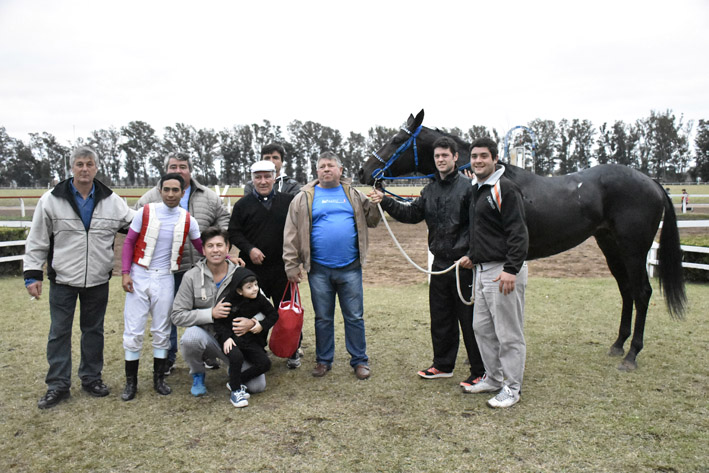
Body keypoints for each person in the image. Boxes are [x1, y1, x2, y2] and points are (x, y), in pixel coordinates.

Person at [369, 136, 485, 389]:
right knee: (441, 317)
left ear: (456, 157)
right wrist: (386, 200)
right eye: (437, 156)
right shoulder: (430, 189)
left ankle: (480, 370)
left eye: (445, 155)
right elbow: (412, 214)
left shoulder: (469, 189)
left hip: (463, 266)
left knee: (470, 321)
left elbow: (479, 227)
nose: (441, 160)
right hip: (440, 264)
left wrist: (472, 255)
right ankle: (443, 365)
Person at [23, 146, 135, 409]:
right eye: (80, 164)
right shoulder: (50, 200)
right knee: (59, 333)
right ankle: (58, 385)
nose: (84, 169)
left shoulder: (112, 201)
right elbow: (37, 239)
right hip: (63, 279)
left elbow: (135, 227)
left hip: (97, 279)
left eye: (89, 164)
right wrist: (32, 274)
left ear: (97, 168)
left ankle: (91, 378)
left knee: (93, 331)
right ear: (72, 167)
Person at [283, 151, 381, 380]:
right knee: (323, 318)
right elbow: (291, 233)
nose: (326, 169)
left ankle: (359, 361)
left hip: (350, 268)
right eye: (322, 166)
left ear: (340, 170)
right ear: (317, 172)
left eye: (330, 165)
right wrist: (291, 264)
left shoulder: (354, 194)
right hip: (318, 269)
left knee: (354, 317)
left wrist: (376, 204)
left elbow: (373, 221)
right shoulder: (303, 197)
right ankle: (323, 360)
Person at [136, 152, 230, 374]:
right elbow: (135, 226)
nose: (178, 171)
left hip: (200, 267)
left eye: (183, 167)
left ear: (190, 170)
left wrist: (216, 243)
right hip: (165, 270)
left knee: (204, 311)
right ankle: (167, 358)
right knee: (167, 314)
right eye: (173, 166)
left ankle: (206, 354)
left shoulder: (208, 196)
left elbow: (224, 218)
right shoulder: (150, 198)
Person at [459, 137, 529, 408]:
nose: (478, 161)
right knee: (482, 328)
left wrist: (511, 269)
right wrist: (472, 256)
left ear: (495, 159)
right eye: (474, 156)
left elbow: (518, 232)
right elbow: (485, 232)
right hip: (482, 270)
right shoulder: (478, 188)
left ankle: (512, 388)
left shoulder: (505, 189)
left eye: (483, 156)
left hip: (503, 272)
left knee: (508, 333)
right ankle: (494, 378)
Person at [120, 173, 202, 401]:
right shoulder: (145, 212)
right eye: (166, 189)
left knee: (162, 329)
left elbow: (201, 246)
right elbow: (129, 242)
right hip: (139, 274)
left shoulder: (188, 219)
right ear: (160, 190)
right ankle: (131, 383)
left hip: (165, 276)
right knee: (134, 328)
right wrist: (126, 272)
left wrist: (226, 257)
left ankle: (159, 379)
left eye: (175, 190)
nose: (170, 194)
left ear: (183, 192)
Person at [171, 227, 266, 397]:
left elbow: (265, 308)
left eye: (220, 245)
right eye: (210, 246)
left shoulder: (241, 273)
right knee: (190, 337)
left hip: (237, 342)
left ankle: (233, 366)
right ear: (203, 249)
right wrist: (210, 314)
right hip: (207, 338)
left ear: (228, 247)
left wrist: (252, 323)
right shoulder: (191, 277)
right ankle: (198, 373)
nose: (215, 250)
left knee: (257, 386)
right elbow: (177, 315)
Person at [228, 160, 302, 368]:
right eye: (258, 177)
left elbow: (299, 231)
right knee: (254, 312)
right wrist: (249, 248)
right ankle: (257, 351)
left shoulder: (289, 201)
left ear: (275, 177)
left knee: (287, 312)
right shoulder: (242, 205)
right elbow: (234, 232)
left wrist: (296, 263)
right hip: (253, 273)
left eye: (267, 176)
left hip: (282, 270)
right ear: (252, 179)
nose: (262, 181)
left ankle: (292, 350)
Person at [215, 268, 278, 407]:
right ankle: (236, 393)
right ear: (239, 290)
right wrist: (226, 338)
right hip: (231, 339)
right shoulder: (228, 301)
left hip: (249, 340)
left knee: (265, 363)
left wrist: (261, 325)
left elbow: (273, 314)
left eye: (256, 285)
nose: (255, 289)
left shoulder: (259, 299)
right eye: (249, 287)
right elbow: (219, 322)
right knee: (236, 357)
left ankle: (235, 382)